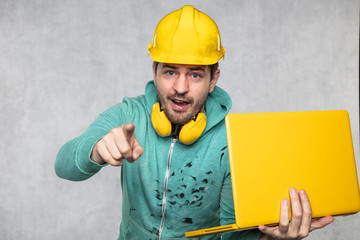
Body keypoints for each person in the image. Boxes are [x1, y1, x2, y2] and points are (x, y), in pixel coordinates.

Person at [55, 5, 333, 240]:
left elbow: (233, 233)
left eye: (196, 75)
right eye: (170, 71)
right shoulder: (129, 114)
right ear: (154, 71)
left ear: (214, 79)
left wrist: (270, 238)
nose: (180, 87)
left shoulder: (232, 141)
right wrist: (96, 150)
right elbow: (64, 166)